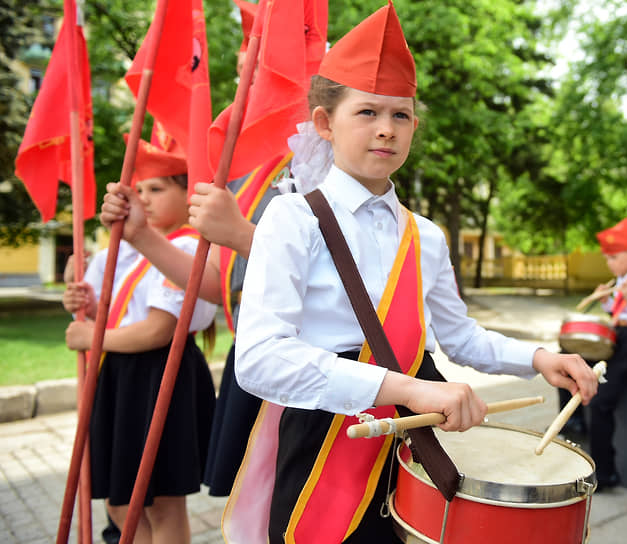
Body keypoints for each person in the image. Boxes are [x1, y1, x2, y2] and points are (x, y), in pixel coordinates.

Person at [231, 3, 599, 542]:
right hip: (331, 433)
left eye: (400, 115)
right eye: (367, 113)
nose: (386, 130)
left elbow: (458, 335)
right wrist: (406, 387)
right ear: (323, 123)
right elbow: (260, 359)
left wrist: (540, 358)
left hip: (420, 436)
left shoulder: (425, 234)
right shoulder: (292, 218)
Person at [99, 2, 330, 500]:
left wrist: (246, 236)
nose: (248, 76)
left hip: (325, 372)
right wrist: (142, 235)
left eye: (262, 64)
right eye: (249, 63)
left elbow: (345, 281)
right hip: (259, 363)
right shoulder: (248, 169)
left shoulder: (334, 161)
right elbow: (227, 287)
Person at [63, 139, 217, 544]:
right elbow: (113, 312)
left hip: (159, 373)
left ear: (188, 194)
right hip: (118, 373)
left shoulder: (185, 247)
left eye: (158, 188)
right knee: (119, 500)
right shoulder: (125, 248)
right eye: (140, 189)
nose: (144, 199)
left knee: (160, 501)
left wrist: (89, 337)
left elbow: (157, 331)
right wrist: (85, 305)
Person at [560, 215, 627, 491]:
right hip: (618, 337)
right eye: (608, 259)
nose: (611, 263)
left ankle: (605, 474)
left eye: (615, 257)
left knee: (601, 403)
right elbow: (618, 314)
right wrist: (608, 301)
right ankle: (573, 422)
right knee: (566, 360)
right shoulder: (621, 279)